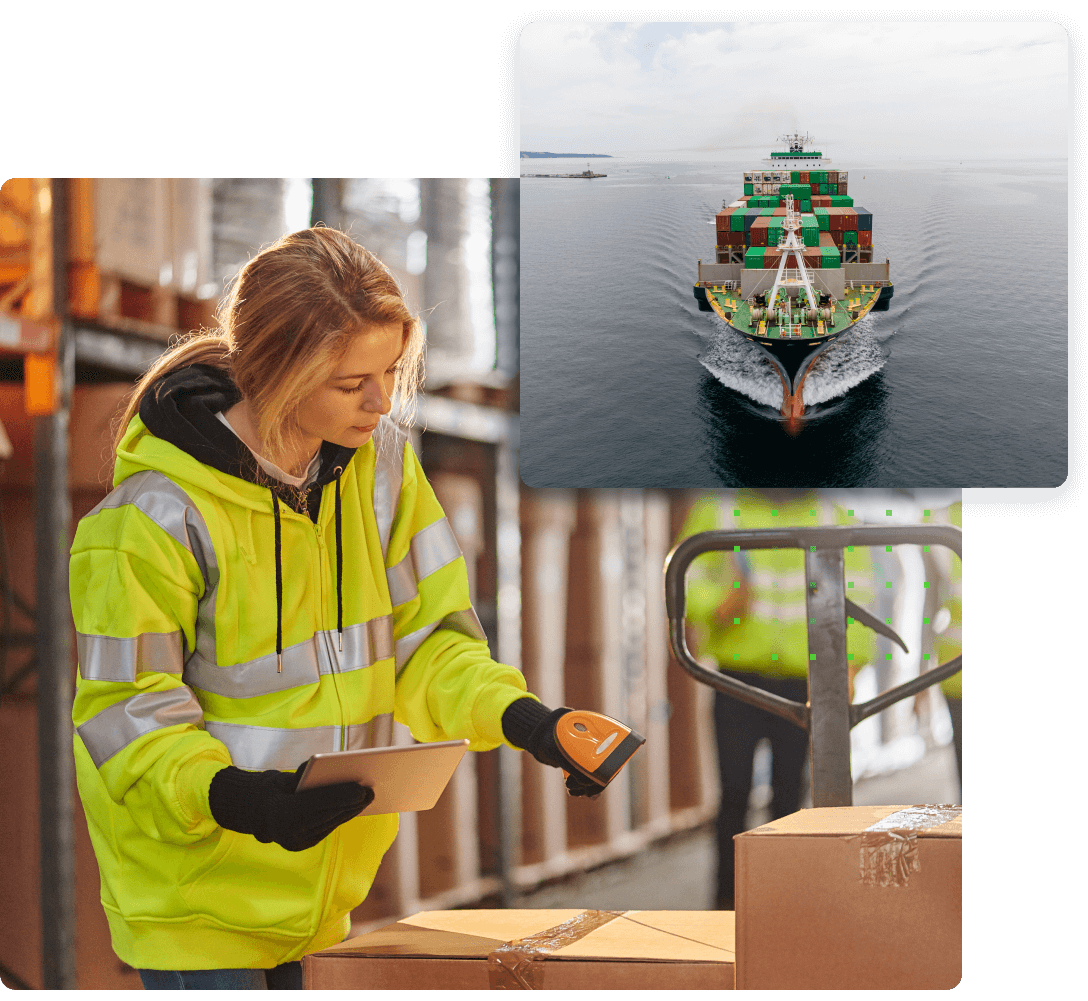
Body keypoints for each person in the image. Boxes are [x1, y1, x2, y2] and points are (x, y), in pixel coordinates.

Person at [70, 227, 612, 990]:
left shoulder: (383, 474)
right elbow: (127, 710)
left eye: (390, 370)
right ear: (276, 372)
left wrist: (530, 721)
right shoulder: (151, 519)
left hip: (320, 901)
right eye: (351, 379)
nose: (382, 399)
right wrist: (236, 798)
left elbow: (434, 643)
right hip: (193, 901)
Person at [675, 489, 877, 911]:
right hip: (737, 680)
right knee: (733, 794)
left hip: (806, 681)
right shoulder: (719, 508)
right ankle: (727, 904)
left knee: (790, 795)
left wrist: (849, 667)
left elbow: (860, 593)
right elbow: (683, 578)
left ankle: (783, 903)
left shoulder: (830, 511)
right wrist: (719, 605)